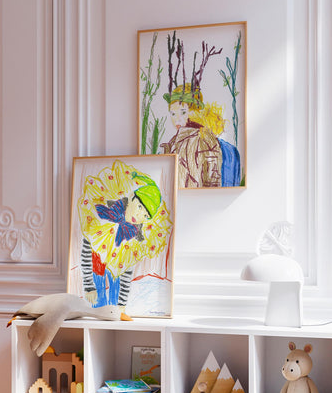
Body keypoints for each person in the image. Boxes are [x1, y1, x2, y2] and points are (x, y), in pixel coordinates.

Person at [77, 161, 172, 310]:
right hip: (96, 270)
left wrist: (121, 305)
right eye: (140, 207)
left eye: (145, 215)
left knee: (114, 302)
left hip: (117, 278)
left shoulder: (134, 236)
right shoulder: (105, 213)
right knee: (97, 304)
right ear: (133, 198)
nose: (139, 215)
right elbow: (86, 248)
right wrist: (89, 286)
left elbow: (127, 274)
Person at [161, 84, 240, 188]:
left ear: (194, 111)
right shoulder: (175, 141)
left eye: (183, 112)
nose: (177, 119)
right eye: (173, 114)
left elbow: (212, 178)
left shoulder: (202, 139)